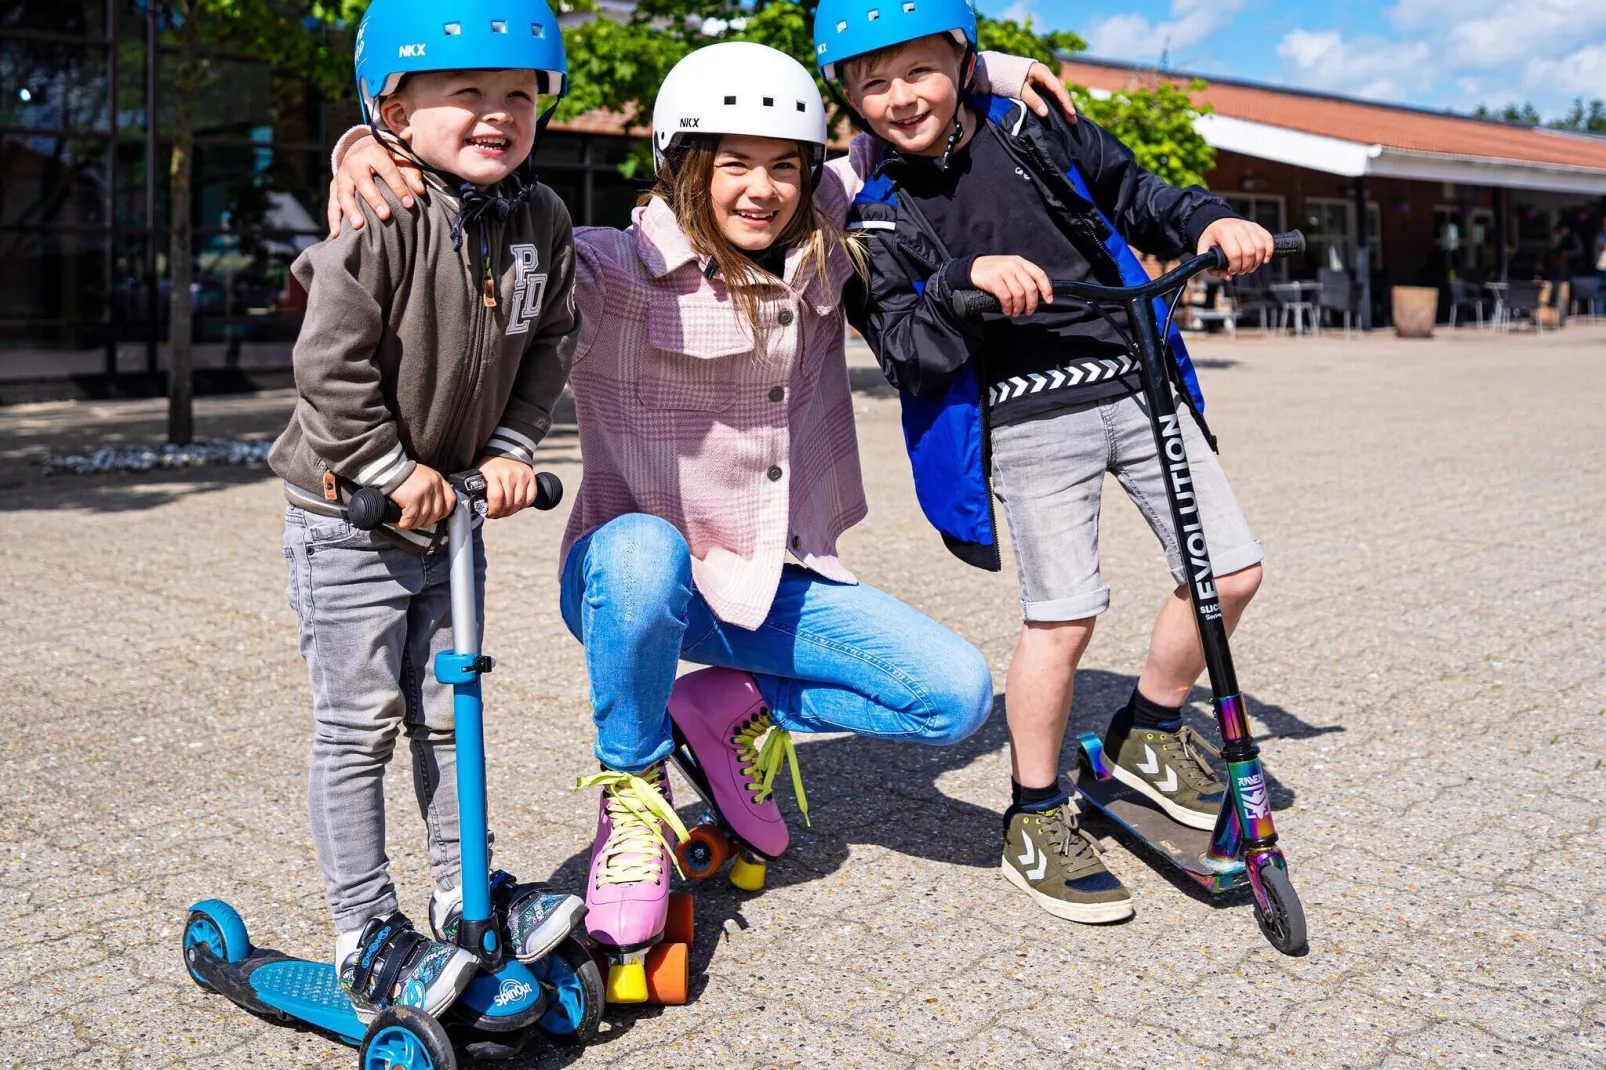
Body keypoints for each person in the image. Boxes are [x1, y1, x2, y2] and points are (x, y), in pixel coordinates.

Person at [328, 40, 1074, 1000]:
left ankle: (726, 711)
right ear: (684, 167)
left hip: (771, 576)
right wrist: (359, 142)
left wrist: (988, 71)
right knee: (645, 549)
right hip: (633, 579)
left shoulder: (823, 237)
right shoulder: (605, 267)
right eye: (733, 165)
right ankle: (633, 803)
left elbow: (892, 126)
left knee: (956, 698)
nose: (762, 190)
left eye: (784, 166)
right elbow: (476, 202)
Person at [816, 0, 1275, 923]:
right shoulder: (873, 215)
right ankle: (1033, 814)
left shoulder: (1034, 126)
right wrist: (962, 284)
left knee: (1231, 572)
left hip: (1138, 385)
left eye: (918, 71)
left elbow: (1139, 190)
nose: (900, 98)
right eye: (872, 84)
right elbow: (902, 343)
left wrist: (1212, 222)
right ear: (849, 100)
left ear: (963, 60)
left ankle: (1148, 726)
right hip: (1029, 421)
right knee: (1064, 619)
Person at [270, 0, 586, 1022]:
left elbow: (550, 346)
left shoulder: (543, 221)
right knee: (359, 722)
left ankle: (462, 891)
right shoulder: (382, 208)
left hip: (449, 513)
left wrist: (510, 448)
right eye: (467, 92)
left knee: (453, 713)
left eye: (518, 95)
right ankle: (365, 929)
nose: (497, 113)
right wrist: (381, 461)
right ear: (392, 109)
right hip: (350, 511)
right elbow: (329, 361)